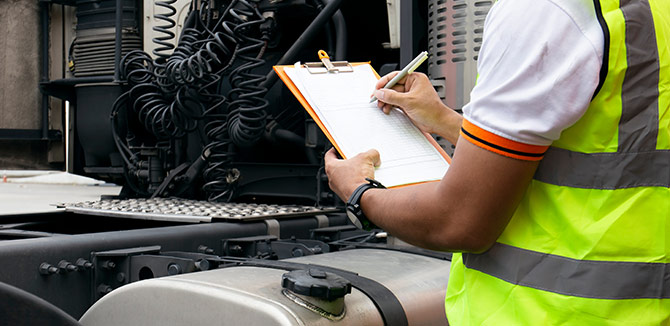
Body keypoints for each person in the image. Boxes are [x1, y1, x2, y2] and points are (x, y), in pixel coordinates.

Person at [324, 0, 670, 324]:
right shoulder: (653, 12)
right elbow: (611, 161)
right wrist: (444, 120)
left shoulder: (545, 10)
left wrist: (358, 192)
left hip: (550, 313)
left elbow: (458, 221)